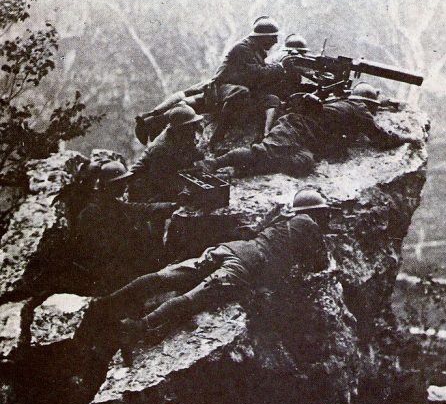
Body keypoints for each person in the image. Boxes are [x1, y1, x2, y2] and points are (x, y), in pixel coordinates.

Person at [103, 188, 331, 349]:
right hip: (246, 265)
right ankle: (140, 326)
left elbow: (252, 230)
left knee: (171, 276)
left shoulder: (282, 216)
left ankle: (111, 301)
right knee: (194, 298)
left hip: (231, 249)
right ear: (315, 213)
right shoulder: (309, 225)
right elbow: (321, 263)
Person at [196, 83, 413, 177]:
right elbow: (380, 138)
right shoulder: (359, 109)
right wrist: (405, 138)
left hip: (302, 136)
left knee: (304, 162)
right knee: (262, 151)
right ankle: (216, 162)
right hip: (294, 128)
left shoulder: (348, 104)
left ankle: (253, 167)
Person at [73, 161, 177, 290]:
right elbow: (101, 252)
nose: (125, 186)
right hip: (107, 273)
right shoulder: (92, 212)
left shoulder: (109, 203)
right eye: (120, 182)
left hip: (118, 265)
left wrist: (172, 207)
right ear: (109, 185)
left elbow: (140, 209)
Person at [209, 16, 286, 147]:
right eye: (273, 37)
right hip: (221, 89)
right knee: (241, 92)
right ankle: (218, 135)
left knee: (272, 100)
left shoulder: (256, 50)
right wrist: (279, 66)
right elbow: (257, 74)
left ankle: (266, 134)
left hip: (243, 89)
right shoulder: (242, 48)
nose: (275, 41)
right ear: (263, 37)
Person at [119, 103, 203, 202]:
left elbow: (194, 154)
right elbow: (162, 180)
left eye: (193, 125)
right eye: (190, 126)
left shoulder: (182, 137)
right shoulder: (161, 148)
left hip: (163, 178)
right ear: (180, 129)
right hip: (145, 188)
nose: (193, 129)